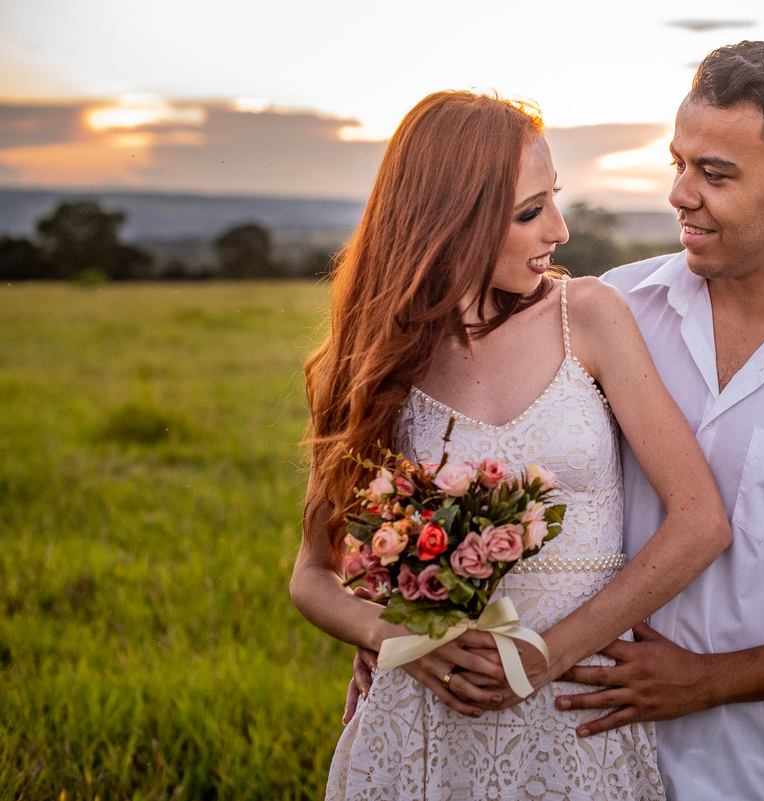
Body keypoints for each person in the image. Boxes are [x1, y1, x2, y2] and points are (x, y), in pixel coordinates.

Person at [347, 43, 764, 800]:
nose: (680, 192)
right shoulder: (602, 309)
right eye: (678, 162)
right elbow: (476, 447)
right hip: (562, 754)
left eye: (714, 173)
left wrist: (707, 681)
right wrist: (408, 621)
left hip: (757, 773)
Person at [290, 90, 730, 801]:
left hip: (572, 717)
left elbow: (700, 520)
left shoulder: (586, 316)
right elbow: (313, 574)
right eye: (529, 212)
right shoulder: (374, 362)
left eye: (552, 199)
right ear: (451, 220)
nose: (557, 227)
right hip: (424, 723)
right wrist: (400, 640)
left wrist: (546, 654)